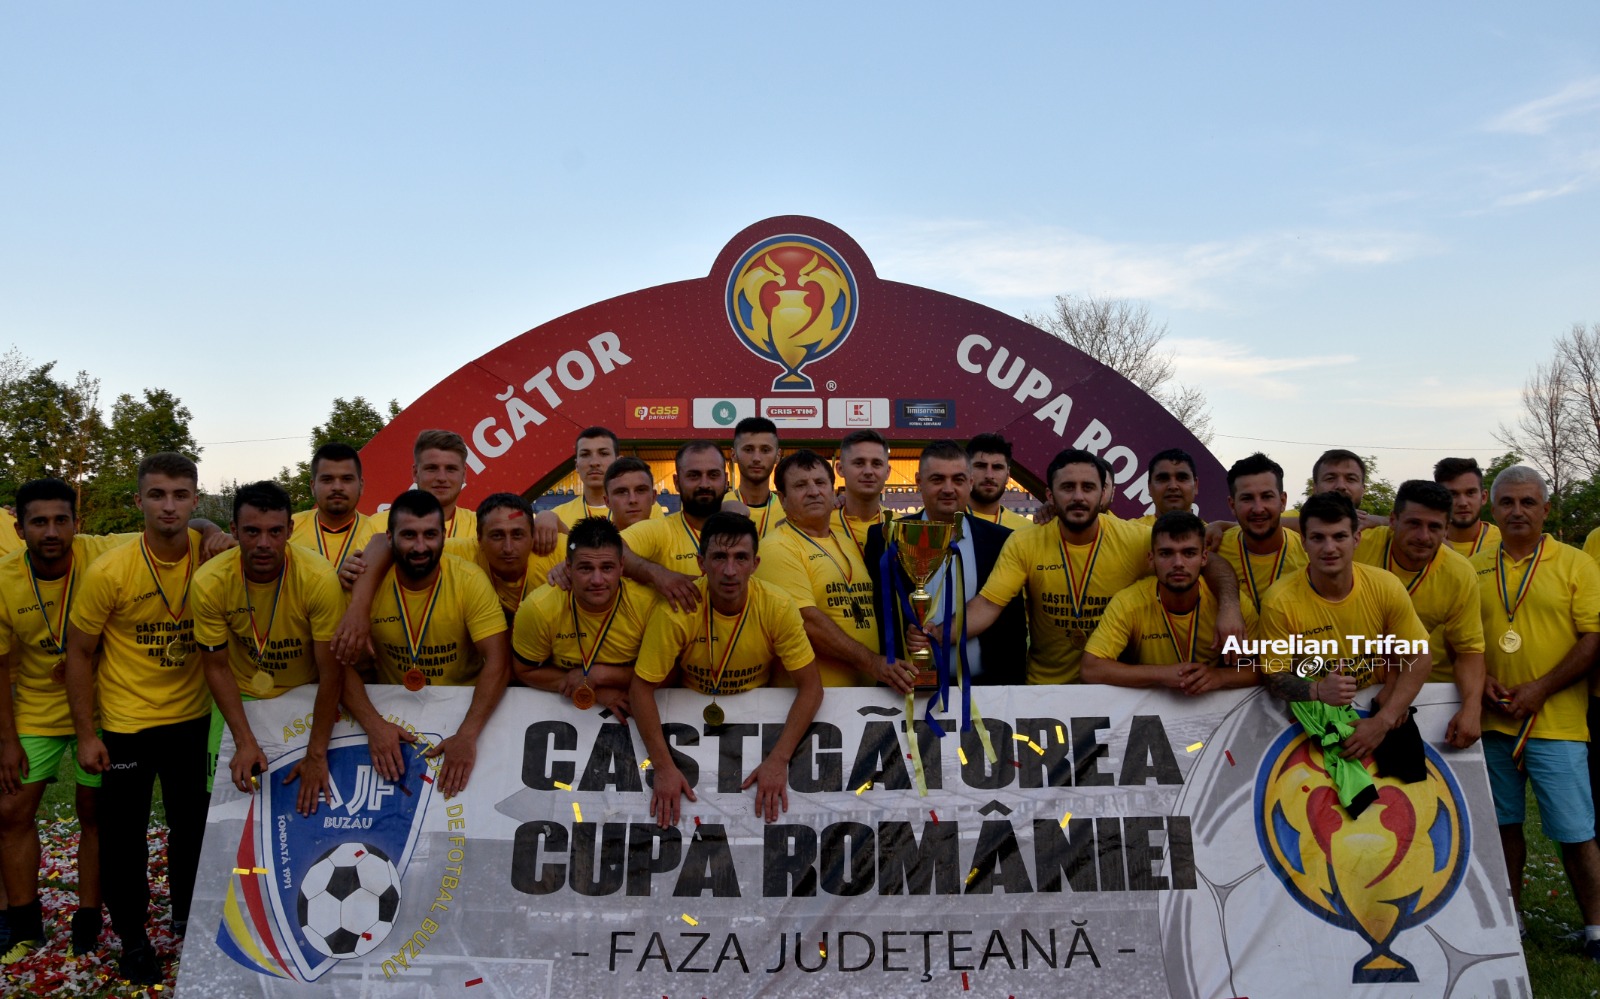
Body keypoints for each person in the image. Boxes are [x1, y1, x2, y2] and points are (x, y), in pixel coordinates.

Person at [64, 453, 210, 983]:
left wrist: (213, 531)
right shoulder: (110, 570)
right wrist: (87, 734)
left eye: (180, 495)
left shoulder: (213, 556)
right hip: (127, 724)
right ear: (139, 501)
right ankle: (133, 938)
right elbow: (79, 653)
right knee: (123, 837)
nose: (169, 506)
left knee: (191, 829)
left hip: (192, 719)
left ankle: (188, 920)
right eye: (157, 495)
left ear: (195, 499)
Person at [0, 479, 139, 963]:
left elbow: (185, 527)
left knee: (94, 814)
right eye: (39, 522)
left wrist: (214, 533)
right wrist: (7, 741)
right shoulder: (4, 579)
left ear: (77, 524)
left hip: (100, 707)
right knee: (10, 811)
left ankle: (88, 919)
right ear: (20, 529)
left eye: (61, 520)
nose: (52, 532)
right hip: (35, 709)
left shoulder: (101, 551)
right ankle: (23, 925)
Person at [969, 447, 1244, 685]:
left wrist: (1230, 608)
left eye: (1088, 487)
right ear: (1050, 496)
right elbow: (987, 606)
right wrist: (944, 632)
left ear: (1103, 493)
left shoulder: (1134, 539)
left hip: (1114, 691)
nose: (1078, 497)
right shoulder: (1025, 541)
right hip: (1046, 687)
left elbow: (1204, 560)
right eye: (1068, 487)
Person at [1473, 465, 1600, 957]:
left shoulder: (1576, 563)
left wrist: (1541, 689)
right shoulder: (1473, 567)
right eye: (1507, 502)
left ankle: (1596, 930)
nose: (1517, 510)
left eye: (1528, 502)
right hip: (1492, 721)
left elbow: (1593, 637)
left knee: (1575, 831)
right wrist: (1481, 680)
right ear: (1493, 509)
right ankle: (1511, 924)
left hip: (1556, 723)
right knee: (1501, 829)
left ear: (1546, 509)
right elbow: (1460, 639)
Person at [630, 514, 821, 828]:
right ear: (701, 563)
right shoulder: (676, 612)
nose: (730, 571)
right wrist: (663, 767)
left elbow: (811, 687)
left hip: (756, 715)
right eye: (719, 557)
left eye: (740, 558)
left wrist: (779, 760)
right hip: (689, 714)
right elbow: (640, 689)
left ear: (755, 564)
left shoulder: (777, 606)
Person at [1256, 491, 1431, 816]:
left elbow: (1419, 657)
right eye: (1318, 538)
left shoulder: (1385, 586)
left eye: (1339, 536)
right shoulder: (1279, 600)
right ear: (1303, 542)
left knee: (1406, 813)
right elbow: (1273, 675)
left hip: (1379, 706)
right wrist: (1317, 690)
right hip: (1316, 723)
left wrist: (1384, 719)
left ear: (1356, 538)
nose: (1329, 548)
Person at [344, 490, 509, 798]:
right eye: (409, 535)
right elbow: (336, 663)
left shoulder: (469, 580)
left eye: (430, 535)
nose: (420, 547)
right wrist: (373, 725)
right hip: (392, 715)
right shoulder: (364, 584)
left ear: (444, 536)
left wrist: (468, 734)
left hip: (462, 712)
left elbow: (498, 661)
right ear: (390, 538)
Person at [194, 481, 345, 815]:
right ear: (234, 530)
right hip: (242, 695)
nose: (264, 543)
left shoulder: (318, 578)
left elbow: (332, 673)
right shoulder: (210, 581)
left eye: (275, 532)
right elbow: (216, 667)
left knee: (306, 802)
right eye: (252, 531)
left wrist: (316, 754)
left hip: (303, 693)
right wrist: (244, 740)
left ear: (290, 530)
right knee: (223, 806)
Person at [864, 440, 1027, 686]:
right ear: (919, 481)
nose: (948, 489)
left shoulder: (1002, 540)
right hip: (907, 689)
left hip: (987, 690)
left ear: (970, 482)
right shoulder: (885, 537)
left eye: (958, 480)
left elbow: (1013, 626)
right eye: (937, 479)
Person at [756, 450, 915, 690]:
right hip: (812, 696)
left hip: (865, 693)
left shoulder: (845, 542)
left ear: (833, 490)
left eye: (820, 483)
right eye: (800, 485)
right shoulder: (776, 547)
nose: (813, 492)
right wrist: (873, 663)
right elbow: (805, 621)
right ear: (782, 498)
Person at [1354, 480, 1484, 749]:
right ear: (1392, 520)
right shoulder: (1357, 547)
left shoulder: (1459, 574)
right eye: (1414, 523)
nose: (1423, 536)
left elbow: (1469, 651)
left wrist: (1472, 708)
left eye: (1434, 527)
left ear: (1446, 529)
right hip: (1339, 680)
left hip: (1408, 688)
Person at [1081, 512, 1258, 692]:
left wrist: (1220, 676)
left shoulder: (1231, 605)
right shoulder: (1128, 603)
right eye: (1166, 553)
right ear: (1151, 559)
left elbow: (1265, 665)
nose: (1178, 563)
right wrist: (1161, 674)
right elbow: (1090, 668)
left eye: (1189, 553)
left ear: (1204, 557)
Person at [512, 517, 653, 717]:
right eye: (586, 568)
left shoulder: (648, 605)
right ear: (568, 567)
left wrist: (599, 675)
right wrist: (593, 690)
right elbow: (523, 671)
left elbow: (670, 674)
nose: (597, 580)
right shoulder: (539, 608)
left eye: (607, 568)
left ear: (622, 566)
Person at [619, 440, 728, 607]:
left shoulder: (743, 531)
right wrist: (657, 573)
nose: (704, 484)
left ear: (725, 480)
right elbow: (610, 547)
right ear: (677, 482)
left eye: (713, 475)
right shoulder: (661, 530)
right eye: (694, 475)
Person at [1215, 453, 1308, 613]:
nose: (1258, 509)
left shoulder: (1309, 552)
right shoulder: (1214, 549)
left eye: (1267, 496)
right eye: (1247, 498)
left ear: (1283, 501)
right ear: (1232, 505)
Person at [369, 430, 478, 539]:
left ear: (464, 474)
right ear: (415, 473)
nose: (441, 478)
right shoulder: (377, 526)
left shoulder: (480, 526)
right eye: (432, 468)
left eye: (451, 469)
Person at [289, 442, 378, 567]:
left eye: (347, 479)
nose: (337, 487)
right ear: (313, 486)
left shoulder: (377, 533)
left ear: (361, 485)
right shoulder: (288, 529)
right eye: (327, 479)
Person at [727, 417, 786, 538]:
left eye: (765, 450)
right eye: (748, 450)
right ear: (733, 455)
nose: (756, 458)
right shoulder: (718, 507)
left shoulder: (789, 510)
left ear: (778, 455)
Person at [835, 429, 893, 551]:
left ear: (887, 472)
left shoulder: (899, 525)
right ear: (840, 469)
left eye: (876, 464)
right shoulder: (819, 525)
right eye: (859, 463)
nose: (868, 471)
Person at [965, 433, 1034, 532]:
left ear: (1007, 475)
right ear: (966, 471)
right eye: (980, 466)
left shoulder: (1026, 530)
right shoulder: (947, 523)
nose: (989, 475)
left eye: (997, 467)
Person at [1435, 456, 1500, 557]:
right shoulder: (1427, 545)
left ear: (1483, 497)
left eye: (1470, 493)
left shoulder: (1505, 542)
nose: (1463, 503)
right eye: (1453, 494)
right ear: (1438, 499)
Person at [1135, 448, 1201, 524]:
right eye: (1163, 479)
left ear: (1195, 486)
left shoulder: (1209, 531)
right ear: (1149, 487)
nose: (1173, 486)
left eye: (1182, 478)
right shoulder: (1128, 531)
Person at [602, 457, 662, 531]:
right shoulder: (593, 538)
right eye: (622, 492)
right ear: (607, 501)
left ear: (653, 496)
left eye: (640, 490)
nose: (632, 500)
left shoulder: (669, 537)